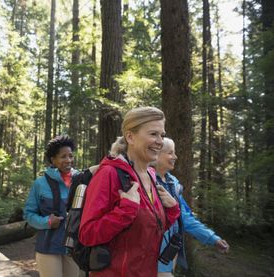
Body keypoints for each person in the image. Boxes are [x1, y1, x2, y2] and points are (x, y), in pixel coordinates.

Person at [79, 106, 181, 277]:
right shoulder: (109, 174)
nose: (160, 141)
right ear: (130, 137)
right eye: (153, 134)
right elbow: (87, 234)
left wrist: (171, 210)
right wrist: (125, 210)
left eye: (161, 135)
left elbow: (148, 230)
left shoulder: (151, 174)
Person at [155, 137, 230, 277]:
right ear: (157, 154)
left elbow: (185, 217)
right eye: (170, 153)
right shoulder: (145, 181)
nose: (175, 157)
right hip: (151, 254)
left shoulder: (173, 183)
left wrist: (212, 238)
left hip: (170, 252)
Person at [23, 135, 80, 277]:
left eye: (70, 156)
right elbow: (28, 214)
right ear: (53, 160)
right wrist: (47, 222)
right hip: (48, 247)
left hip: (73, 246)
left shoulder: (79, 180)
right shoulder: (40, 183)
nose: (68, 160)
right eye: (63, 157)